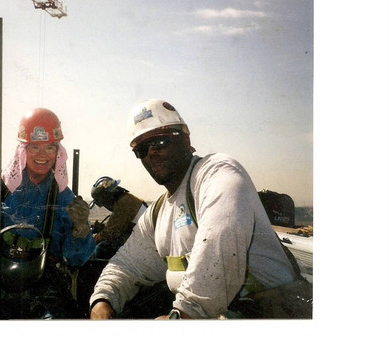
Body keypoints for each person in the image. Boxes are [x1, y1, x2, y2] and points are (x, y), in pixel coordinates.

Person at [89, 98, 311, 319]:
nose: (151, 154)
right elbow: (128, 265)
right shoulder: (159, 213)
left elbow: (219, 248)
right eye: (142, 149)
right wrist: (102, 300)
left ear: (185, 140)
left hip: (270, 313)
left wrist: (182, 316)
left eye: (159, 142)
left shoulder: (218, 173)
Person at [0, 108, 96, 319]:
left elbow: (77, 258)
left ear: (58, 152)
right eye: (34, 147)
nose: (42, 155)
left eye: (49, 148)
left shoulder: (64, 197)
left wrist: (80, 228)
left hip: (42, 279)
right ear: (22, 150)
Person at [89, 176, 148, 259]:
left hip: (142, 243)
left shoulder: (123, 203)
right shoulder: (126, 198)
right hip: (141, 239)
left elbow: (111, 232)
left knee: (102, 249)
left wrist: (93, 240)